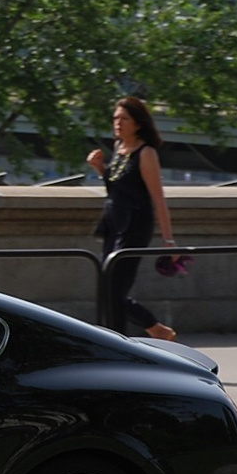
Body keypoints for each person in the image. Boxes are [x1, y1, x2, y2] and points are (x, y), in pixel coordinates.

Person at [87, 95, 178, 341]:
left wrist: (169, 242)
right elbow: (119, 189)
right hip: (113, 223)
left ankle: (116, 344)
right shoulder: (118, 148)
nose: (118, 123)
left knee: (115, 289)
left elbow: (158, 199)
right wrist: (100, 169)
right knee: (106, 287)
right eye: (115, 118)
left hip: (135, 225)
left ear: (138, 123)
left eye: (124, 119)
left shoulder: (146, 153)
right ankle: (156, 330)